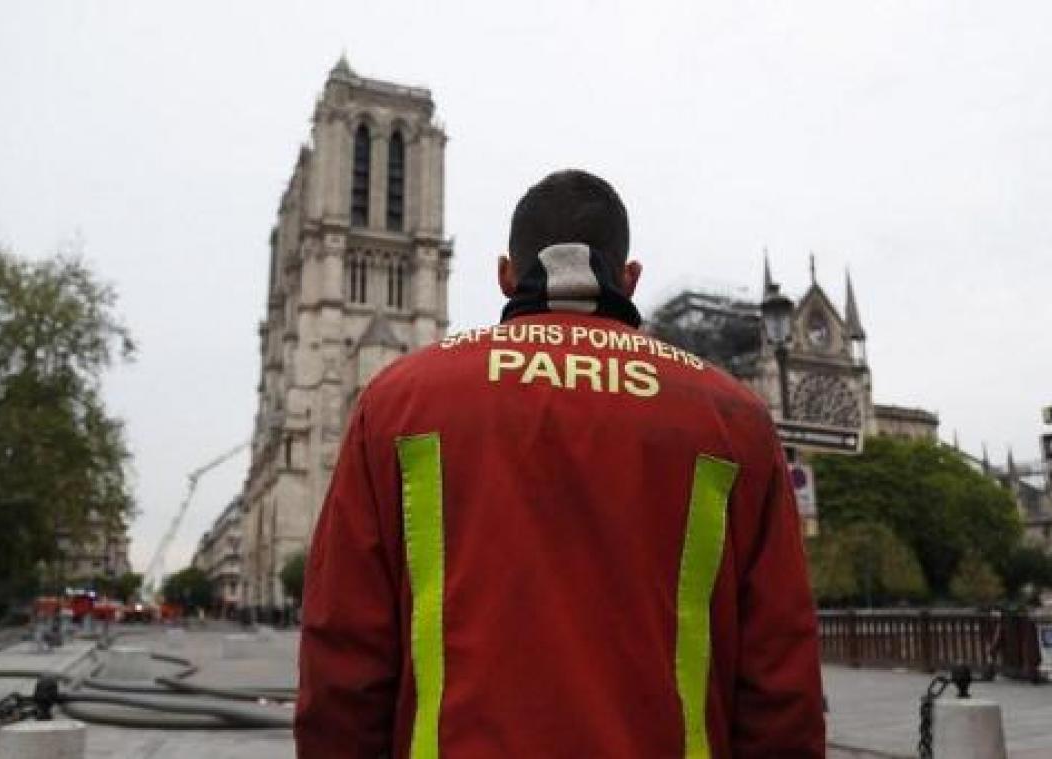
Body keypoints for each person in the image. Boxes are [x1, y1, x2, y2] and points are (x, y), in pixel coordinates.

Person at [295, 169, 824, 757]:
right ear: (629, 278)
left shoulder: (397, 404)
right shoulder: (734, 418)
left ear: (505, 275)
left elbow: (342, 666)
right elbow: (781, 683)